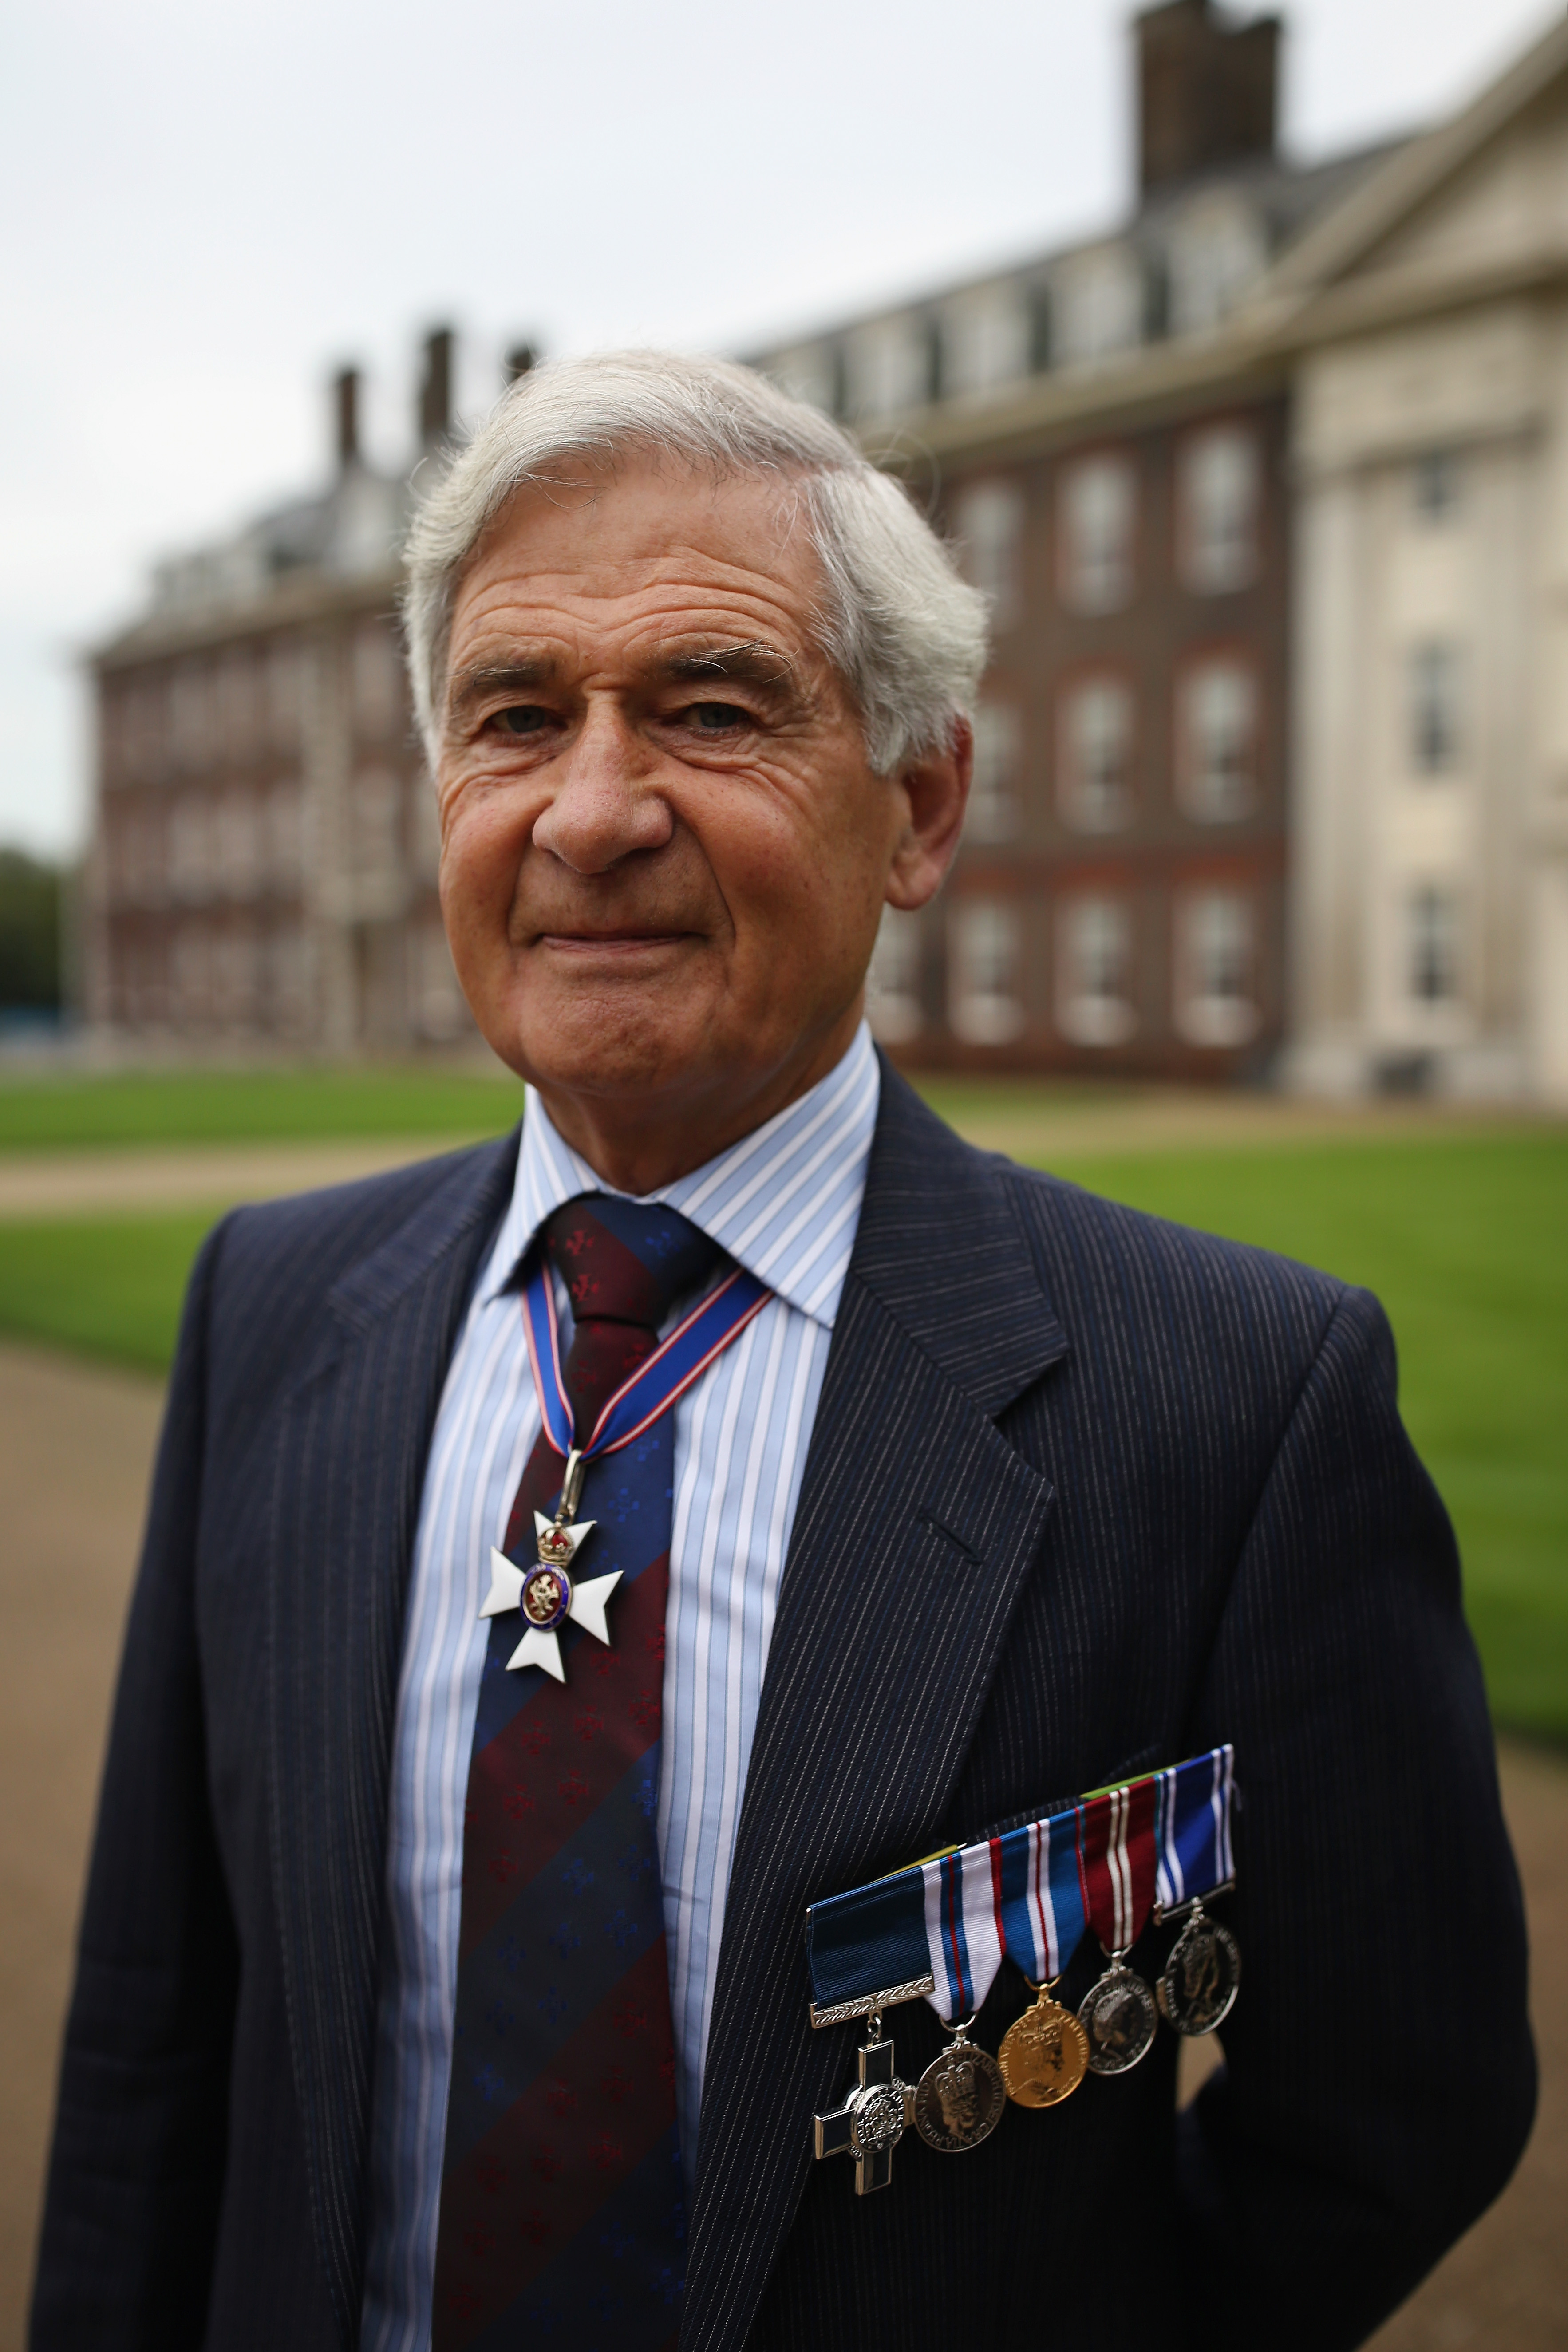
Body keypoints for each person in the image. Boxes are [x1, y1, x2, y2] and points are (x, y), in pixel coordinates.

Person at [32, 352, 1533, 2352]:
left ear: (915, 805)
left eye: (710, 708)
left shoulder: (1233, 1403)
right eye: (513, 718)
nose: (589, 809)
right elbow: (154, 2043)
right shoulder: (275, 1311)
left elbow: (1392, 2103)